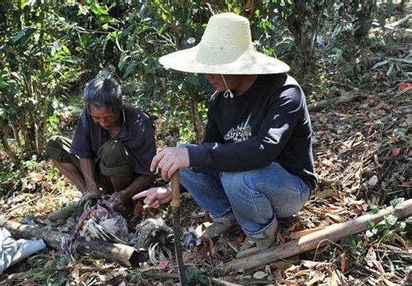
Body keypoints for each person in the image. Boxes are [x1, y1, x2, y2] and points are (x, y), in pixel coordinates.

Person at [133, 13, 316, 257]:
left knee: (232, 176)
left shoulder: (284, 92)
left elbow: (264, 150)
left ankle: (262, 232)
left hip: (288, 187)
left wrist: (193, 154)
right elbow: (209, 152)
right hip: (244, 182)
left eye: (215, 68)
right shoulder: (220, 100)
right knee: (186, 158)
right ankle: (227, 216)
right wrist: (171, 187)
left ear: (239, 65)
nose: (208, 75)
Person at [45, 77, 156, 220]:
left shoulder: (139, 122)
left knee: (112, 149)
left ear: (120, 106)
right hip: (102, 172)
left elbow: (150, 173)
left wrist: (124, 194)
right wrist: (91, 185)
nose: (103, 123)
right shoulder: (88, 115)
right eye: (97, 118)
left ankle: (122, 205)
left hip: (130, 181)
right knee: (55, 145)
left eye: (109, 117)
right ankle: (90, 199)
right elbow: (84, 153)